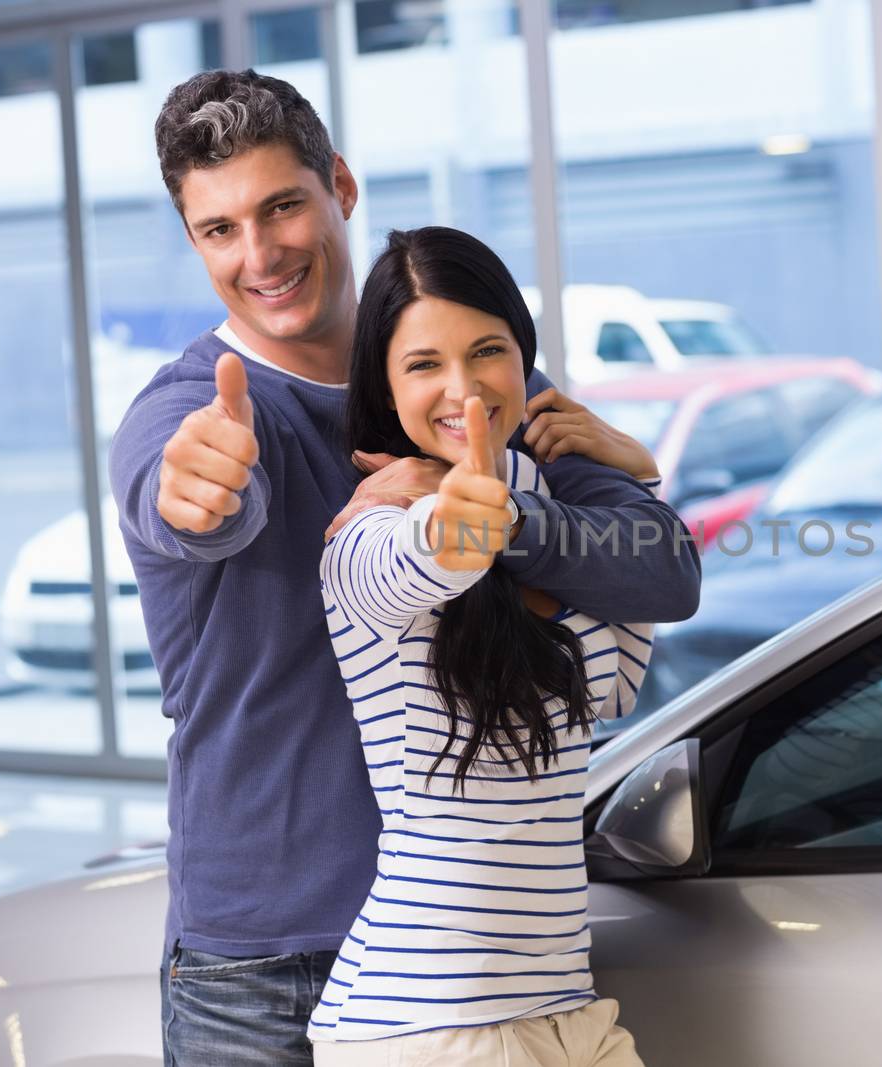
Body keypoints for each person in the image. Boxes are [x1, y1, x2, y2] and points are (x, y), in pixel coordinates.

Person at [109, 69, 699, 1066]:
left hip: (483, 963)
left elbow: (663, 571)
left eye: (282, 206)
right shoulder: (187, 419)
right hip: (266, 965)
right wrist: (196, 498)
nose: (259, 255)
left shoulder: (464, 382)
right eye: (218, 230)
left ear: (338, 184)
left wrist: (535, 497)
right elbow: (192, 508)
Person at [310, 226, 653, 1066]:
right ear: (387, 391)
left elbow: (626, 660)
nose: (462, 388)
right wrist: (459, 519)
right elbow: (419, 560)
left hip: (568, 1009)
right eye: (423, 363)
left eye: (487, 351)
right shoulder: (365, 537)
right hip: (427, 1023)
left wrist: (636, 476)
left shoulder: (556, 541)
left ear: (523, 363)